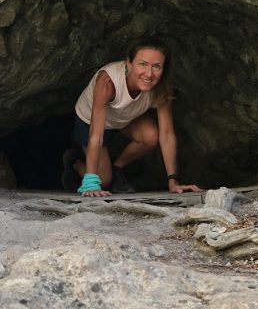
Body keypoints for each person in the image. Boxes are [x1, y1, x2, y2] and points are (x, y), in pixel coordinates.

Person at [63, 39, 201, 196]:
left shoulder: (162, 87)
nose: (149, 74)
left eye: (156, 66)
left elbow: (167, 134)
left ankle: (117, 168)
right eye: (142, 64)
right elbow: (96, 134)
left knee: (150, 136)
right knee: (103, 181)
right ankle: (75, 162)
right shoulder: (108, 81)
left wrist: (173, 181)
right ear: (129, 63)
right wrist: (91, 183)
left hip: (125, 118)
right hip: (91, 122)